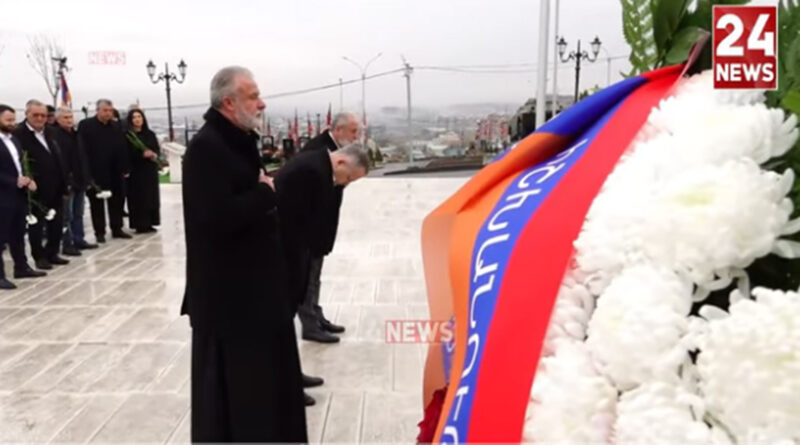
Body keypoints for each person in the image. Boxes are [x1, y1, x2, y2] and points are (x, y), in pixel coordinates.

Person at [180, 66, 306, 442]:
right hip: (231, 302)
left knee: (268, 392)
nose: (261, 103)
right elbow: (215, 218)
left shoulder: (238, 139)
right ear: (229, 102)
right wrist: (265, 194)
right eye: (253, 96)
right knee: (240, 401)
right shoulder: (206, 148)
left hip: (258, 295)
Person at [275, 142, 369, 405]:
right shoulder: (313, 171)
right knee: (279, 326)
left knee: (284, 325)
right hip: (283, 256)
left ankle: (291, 375)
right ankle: (285, 385)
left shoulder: (317, 164)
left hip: (292, 253)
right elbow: (294, 220)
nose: (344, 184)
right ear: (341, 162)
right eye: (348, 178)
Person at [296, 112, 359, 343]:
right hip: (310, 226)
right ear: (339, 129)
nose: (355, 137)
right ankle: (309, 324)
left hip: (322, 224)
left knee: (315, 274)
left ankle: (316, 315)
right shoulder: (319, 150)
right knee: (307, 276)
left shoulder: (335, 149)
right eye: (353, 131)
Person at [14, 100, 70, 270]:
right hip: (35, 188)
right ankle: (39, 256)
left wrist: (65, 183)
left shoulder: (52, 132)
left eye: (43, 115)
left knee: (57, 223)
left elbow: (59, 157)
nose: (40, 118)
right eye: (35, 115)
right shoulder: (19, 134)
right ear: (27, 115)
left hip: (56, 185)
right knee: (36, 225)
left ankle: (52, 252)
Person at [0, 104, 46, 289]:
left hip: (18, 194)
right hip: (3, 195)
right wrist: (14, 181)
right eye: (8, 120)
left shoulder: (14, 140)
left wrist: (28, 180)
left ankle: (21, 266)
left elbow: (20, 165)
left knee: (18, 233)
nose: (12, 123)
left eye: (13, 119)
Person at [78, 99, 132, 243]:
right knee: (97, 203)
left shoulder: (117, 126)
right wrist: (86, 172)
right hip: (95, 170)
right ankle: (99, 231)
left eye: (110, 110)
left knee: (117, 201)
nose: (108, 113)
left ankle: (117, 228)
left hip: (115, 171)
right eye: (105, 110)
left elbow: (122, 147)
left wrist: (125, 167)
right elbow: (82, 149)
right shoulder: (86, 125)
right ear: (98, 110)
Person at [53, 107, 97, 255]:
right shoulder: (55, 136)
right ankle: (67, 243)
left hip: (80, 179)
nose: (69, 120)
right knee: (67, 215)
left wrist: (87, 176)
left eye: (70, 117)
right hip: (67, 182)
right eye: (65, 117)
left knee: (78, 213)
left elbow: (83, 157)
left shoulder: (77, 134)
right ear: (58, 119)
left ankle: (79, 239)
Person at [125, 109, 160, 234]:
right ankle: (140, 224)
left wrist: (153, 154)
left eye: (139, 117)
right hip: (136, 171)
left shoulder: (150, 134)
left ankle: (150, 222)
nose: (137, 119)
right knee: (138, 198)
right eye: (134, 117)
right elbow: (127, 153)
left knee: (151, 197)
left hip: (149, 170)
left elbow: (156, 148)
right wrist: (141, 155)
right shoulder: (128, 136)